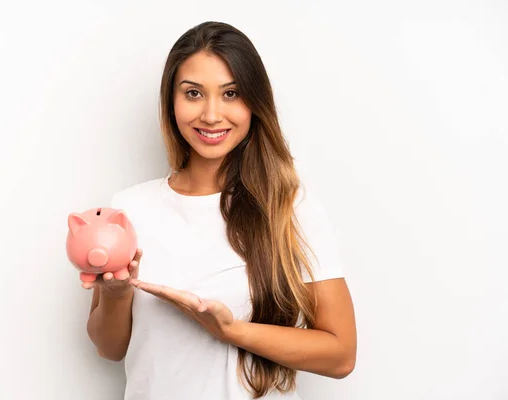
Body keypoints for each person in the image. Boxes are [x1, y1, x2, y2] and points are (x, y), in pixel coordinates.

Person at [83, 21, 357, 400]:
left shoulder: (287, 204)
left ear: (254, 103)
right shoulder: (129, 209)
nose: (212, 115)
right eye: (193, 93)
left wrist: (229, 331)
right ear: (171, 101)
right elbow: (109, 348)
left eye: (231, 94)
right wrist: (114, 293)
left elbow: (341, 355)